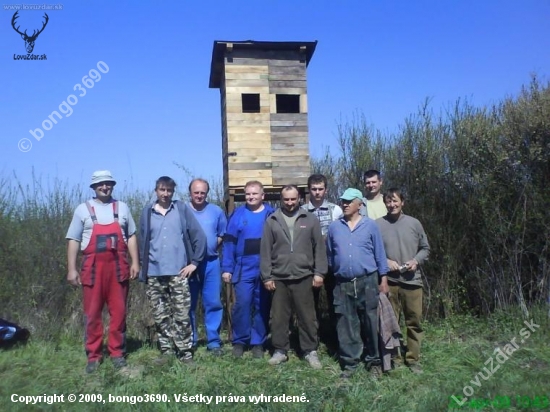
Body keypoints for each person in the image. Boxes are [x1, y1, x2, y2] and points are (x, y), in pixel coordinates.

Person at [66, 170, 139, 374]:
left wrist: (136, 262)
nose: (104, 187)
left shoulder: (122, 208)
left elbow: (131, 236)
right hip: (93, 269)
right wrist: (71, 269)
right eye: (100, 184)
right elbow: (73, 240)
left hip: (118, 268)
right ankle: (94, 355)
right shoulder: (83, 209)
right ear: (93, 187)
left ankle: (117, 353)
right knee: (92, 314)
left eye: (108, 183)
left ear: (112, 185)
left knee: (119, 313)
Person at [138, 176, 206, 365]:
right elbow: (143, 240)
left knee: (182, 314)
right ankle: (167, 351)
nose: (165, 194)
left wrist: (194, 262)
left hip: (178, 272)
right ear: (156, 191)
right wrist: (143, 268)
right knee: (161, 315)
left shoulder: (181, 209)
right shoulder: (147, 212)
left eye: (169, 190)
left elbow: (198, 236)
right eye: (162, 190)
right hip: (154, 272)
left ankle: (185, 353)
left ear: (173, 192)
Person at [260, 185, 327, 369]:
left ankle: (309, 351)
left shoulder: (310, 219)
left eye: (293, 199)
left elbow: (319, 248)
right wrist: (267, 276)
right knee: (279, 317)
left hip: (304, 275)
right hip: (279, 277)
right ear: (281, 199)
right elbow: (265, 251)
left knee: (307, 316)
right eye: (286, 199)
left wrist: (319, 272)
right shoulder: (272, 220)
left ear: (299, 199)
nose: (290, 203)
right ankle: (280, 350)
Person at [326, 188, 389, 379]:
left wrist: (383, 279)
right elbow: (330, 255)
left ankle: (374, 362)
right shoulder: (334, 227)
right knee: (345, 323)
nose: (344, 204)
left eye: (348, 201)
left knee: (370, 321)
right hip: (342, 282)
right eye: (343, 201)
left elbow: (380, 253)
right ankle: (350, 363)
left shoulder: (370, 226)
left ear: (359, 204)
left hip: (367, 280)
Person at [376, 188, 429, 374]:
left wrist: (415, 261)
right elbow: (374, 252)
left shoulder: (414, 223)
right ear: (385, 204)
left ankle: (413, 359)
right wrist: (386, 261)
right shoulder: (378, 225)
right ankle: (394, 357)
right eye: (388, 202)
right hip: (389, 282)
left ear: (402, 202)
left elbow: (425, 249)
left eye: (395, 201)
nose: (392, 205)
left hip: (412, 281)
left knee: (414, 321)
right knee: (391, 323)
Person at [221, 180, 274, 358]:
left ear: (262, 196)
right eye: (248, 194)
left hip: (265, 267)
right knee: (242, 304)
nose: (251, 197)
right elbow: (229, 243)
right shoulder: (237, 215)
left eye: (254, 194)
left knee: (262, 305)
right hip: (243, 267)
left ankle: (258, 341)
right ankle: (240, 341)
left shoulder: (271, 214)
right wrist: (227, 268)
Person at [301, 174, 342, 345]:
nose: (317, 193)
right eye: (314, 189)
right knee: (310, 304)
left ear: (326, 190)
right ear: (309, 190)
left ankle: (335, 339)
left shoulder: (336, 210)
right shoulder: (301, 210)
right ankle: (312, 339)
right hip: (309, 265)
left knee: (335, 302)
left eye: (320, 189)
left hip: (332, 264)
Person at [188, 178, 227, 355]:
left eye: (202, 192)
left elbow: (221, 235)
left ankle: (213, 342)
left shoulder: (216, 211)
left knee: (213, 302)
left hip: (211, 262)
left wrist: (209, 248)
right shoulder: (183, 210)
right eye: (196, 192)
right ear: (190, 193)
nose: (199, 196)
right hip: (188, 266)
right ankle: (190, 341)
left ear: (207, 193)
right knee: (188, 304)